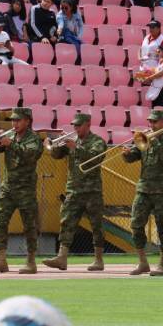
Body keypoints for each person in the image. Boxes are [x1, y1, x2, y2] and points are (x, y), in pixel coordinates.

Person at [43, 113, 107, 272]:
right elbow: (57, 156)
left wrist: (76, 147)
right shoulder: (73, 141)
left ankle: (98, 260)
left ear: (87, 125)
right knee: (66, 222)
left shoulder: (97, 141)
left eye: (79, 125)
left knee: (96, 225)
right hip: (73, 189)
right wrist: (53, 146)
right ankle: (62, 258)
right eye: (74, 126)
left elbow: (95, 158)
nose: (76, 128)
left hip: (92, 190)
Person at [0, 107, 44, 275]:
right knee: (0, 222)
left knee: (29, 226)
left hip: (25, 189)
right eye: (13, 120)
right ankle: (1, 260)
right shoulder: (10, 136)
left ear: (27, 121)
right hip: (8, 187)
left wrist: (12, 144)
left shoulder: (34, 139)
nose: (14, 123)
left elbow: (30, 155)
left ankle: (31, 262)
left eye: (18, 120)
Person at [123, 109, 163, 276]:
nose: (151, 125)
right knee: (135, 224)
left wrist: (153, 141)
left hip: (162, 191)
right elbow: (134, 155)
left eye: (154, 122)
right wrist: (126, 154)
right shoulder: (144, 138)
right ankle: (143, 262)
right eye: (150, 122)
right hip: (144, 189)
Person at [140, 43, 163, 108]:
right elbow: (155, 72)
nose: (160, 52)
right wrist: (142, 75)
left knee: (159, 114)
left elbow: (160, 74)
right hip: (157, 90)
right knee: (155, 113)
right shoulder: (162, 62)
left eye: (162, 51)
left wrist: (149, 78)